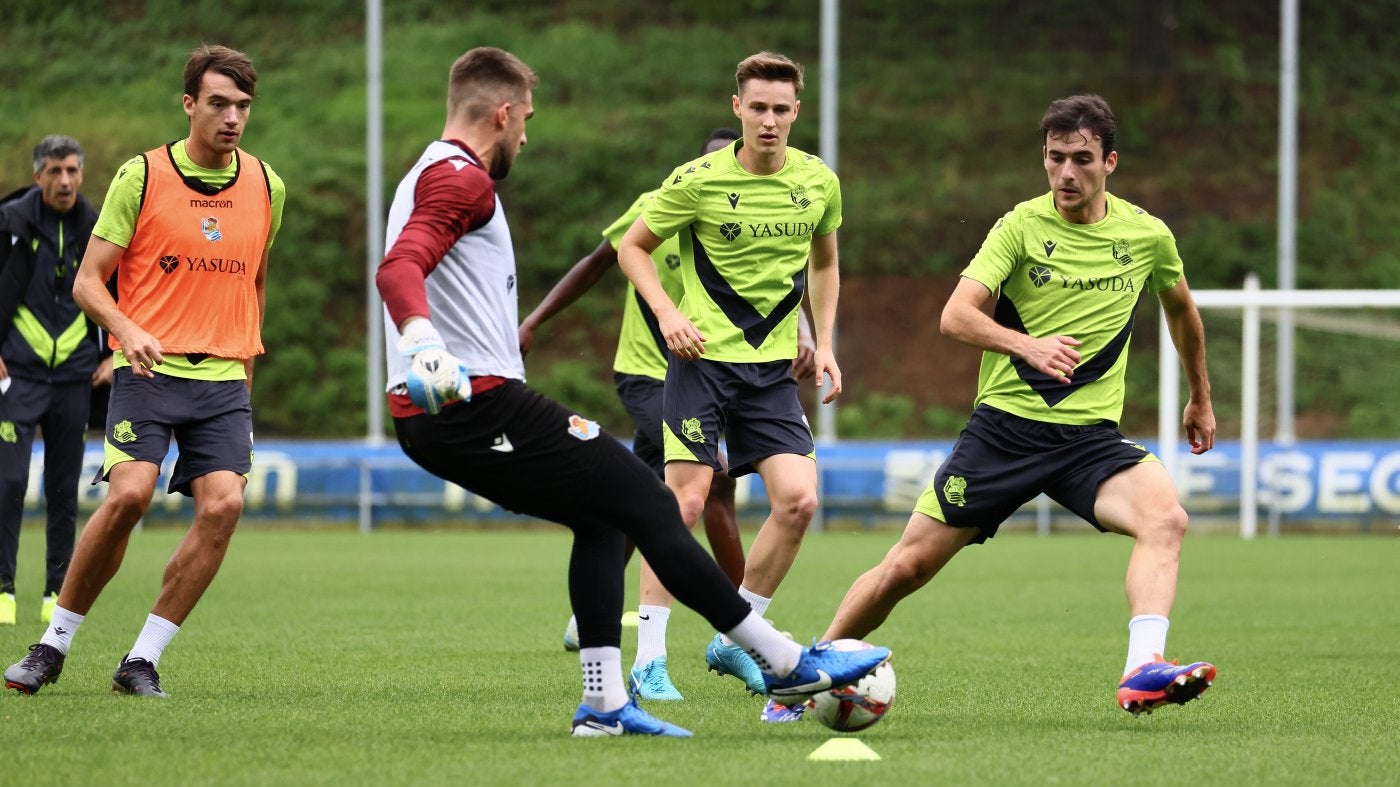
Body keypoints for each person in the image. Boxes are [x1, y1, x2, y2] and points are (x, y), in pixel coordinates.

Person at [373, 46, 887, 737]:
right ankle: (782, 656)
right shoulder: (462, 181)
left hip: (453, 409)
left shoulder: (426, 172)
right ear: (502, 113)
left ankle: (605, 704)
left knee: (605, 515)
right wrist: (423, 344)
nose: (525, 134)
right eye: (524, 120)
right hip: (474, 402)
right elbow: (401, 265)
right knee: (650, 500)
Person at [821, 94, 1217, 718]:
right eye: (1055, 158)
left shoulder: (1145, 235)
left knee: (1166, 518)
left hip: (1089, 440)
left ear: (1109, 162)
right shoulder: (1020, 228)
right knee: (907, 568)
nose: (1066, 173)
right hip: (1004, 434)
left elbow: (1182, 312)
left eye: (1081, 159)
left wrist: (1200, 394)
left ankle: (1142, 670)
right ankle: (813, 668)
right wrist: (1024, 345)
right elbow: (955, 316)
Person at [3, 44, 285, 698]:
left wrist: (247, 372)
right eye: (218, 103)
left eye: (243, 105)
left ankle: (142, 659)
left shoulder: (267, 184)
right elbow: (88, 281)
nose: (232, 117)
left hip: (222, 382)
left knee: (226, 505)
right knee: (128, 495)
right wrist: (126, 329)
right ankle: (53, 643)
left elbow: (255, 283)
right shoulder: (143, 177)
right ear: (189, 104)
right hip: (149, 373)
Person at [518, 127, 819, 698]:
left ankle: (718, 628)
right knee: (685, 496)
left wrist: (806, 331)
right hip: (650, 372)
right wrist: (535, 320)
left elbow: (784, 277)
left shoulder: (770, 207)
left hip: (734, 372)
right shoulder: (667, 201)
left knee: (670, 495)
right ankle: (677, 643)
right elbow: (599, 260)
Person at [615, 51, 842, 722]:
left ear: (797, 112)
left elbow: (825, 264)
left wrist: (824, 340)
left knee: (799, 500)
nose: (770, 120)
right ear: (736, 108)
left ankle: (733, 633)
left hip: (772, 375)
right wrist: (668, 313)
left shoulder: (818, 182)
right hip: (702, 366)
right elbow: (632, 248)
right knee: (681, 505)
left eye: (781, 108)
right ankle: (649, 659)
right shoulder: (697, 180)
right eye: (758, 107)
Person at [0, 135, 101, 627]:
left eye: (72, 171)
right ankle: (2, 590)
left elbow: (125, 287)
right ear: (38, 174)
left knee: (64, 489)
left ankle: (56, 592)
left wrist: (115, 351)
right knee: (9, 481)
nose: (65, 181)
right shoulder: (11, 222)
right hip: (16, 374)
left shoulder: (98, 224)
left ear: (82, 174)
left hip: (75, 377)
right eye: (55, 171)